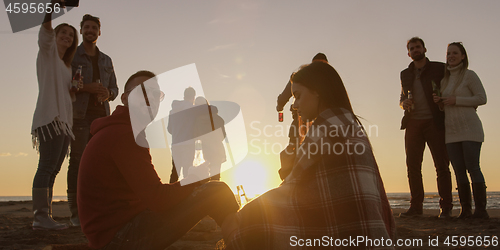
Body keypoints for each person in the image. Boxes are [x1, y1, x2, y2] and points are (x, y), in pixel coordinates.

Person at [223, 62, 395, 249]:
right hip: (372, 235)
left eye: (297, 96)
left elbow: (291, 188)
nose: (295, 105)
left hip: (344, 235)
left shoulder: (325, 126)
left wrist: (245, 213)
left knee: (240, 219)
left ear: (317, 91)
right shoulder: (350, 123)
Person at [77, 70, 239, 249]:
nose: (150, 98)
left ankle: (234, 241)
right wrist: (193, 180)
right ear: (124, 98)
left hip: (111, 232)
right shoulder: (123, 135)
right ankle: (239, 243)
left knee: (206, 190)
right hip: (118, 238)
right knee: (217, 192)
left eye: (156, 94)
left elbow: (151, 194)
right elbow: (159, 199)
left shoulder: (121, 130)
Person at [67, 14, 119, 227]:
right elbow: (66, 84)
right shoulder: (72, 56)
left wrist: (107, 93)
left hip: (102, 118)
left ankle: (98, 209)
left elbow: (115, 89)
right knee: (78, 162)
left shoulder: (106, 60)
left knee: (101, 163)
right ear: (81, 30)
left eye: (94, 28)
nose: (90, 31)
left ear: (99, 32)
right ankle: (76, 213)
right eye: (86, 27)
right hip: (79, 116)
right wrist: (87, 88)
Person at [31, 3, 79, 230]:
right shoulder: (48, 53)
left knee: (54, 168)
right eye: (63, 33)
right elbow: (46, 32)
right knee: (47, 166)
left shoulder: (67, 66)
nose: (67, 37)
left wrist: (74, 90)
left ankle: (45, 216)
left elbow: (69, 97)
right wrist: (51, 7)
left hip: (64, 123)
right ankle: (40, 217)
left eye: (71, 35)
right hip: (50, 118)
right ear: (56, 36)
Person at [399, 37, 453, 218]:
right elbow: (402, 97)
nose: (415, 50)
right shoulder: (405, 73)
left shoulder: (439, 68)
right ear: (408, 53)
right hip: (412, 123)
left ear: (424, 49)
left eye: (418, 47)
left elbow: (450, 87)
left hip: (434, 121)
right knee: (412, 166)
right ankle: (416, 208)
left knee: (442, 166)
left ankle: (446, 208)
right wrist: (403, 103)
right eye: (412, 48)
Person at [433, 42, 488, 219]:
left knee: (473, 167)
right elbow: (446, 106)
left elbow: (481, 98)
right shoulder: (444, 80)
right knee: (458, 169)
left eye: (455, 53)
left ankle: (480, 210)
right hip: (452, 131)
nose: (451, 56)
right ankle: (465, 210)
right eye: (448, 53)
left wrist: (456, 100)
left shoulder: (469, 75)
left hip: (470, 128)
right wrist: (441, 103)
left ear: (463, 56)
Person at [276, 52, 328, 180]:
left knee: (292, 151)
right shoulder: (328, 78)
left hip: (303, 122)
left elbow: (284, 95)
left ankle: (290, 180)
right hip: (314, 122)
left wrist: (280, 107)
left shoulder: (304, 75)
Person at [193, 96, 227, 181]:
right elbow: (223, 135)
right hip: (218, 149)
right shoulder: (218, 118)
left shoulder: (196, 120)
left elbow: (195, 135)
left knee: (204, 176)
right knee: (216, 176)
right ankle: (215, 192)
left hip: (204, 150)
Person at [168, 87, 197, 183]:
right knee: (187, 172)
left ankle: (169, 196)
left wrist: (178, 132)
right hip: (188, 144)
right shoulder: (193, 109)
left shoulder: (172, 111)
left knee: (175, 172)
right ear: (193, 97)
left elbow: (169, 129)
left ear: (184, 96)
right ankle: (188, 195)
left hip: (176, 144)